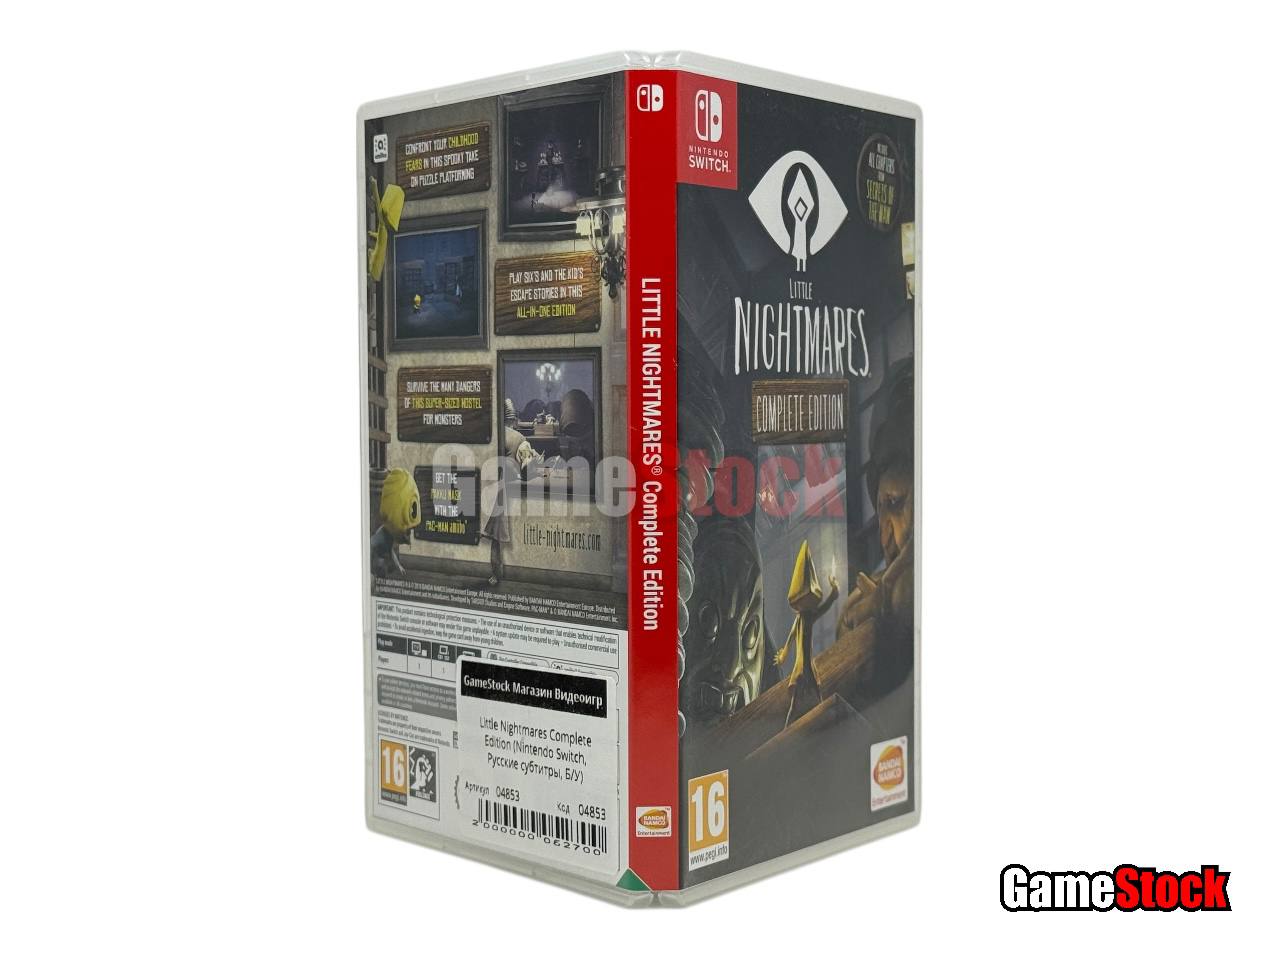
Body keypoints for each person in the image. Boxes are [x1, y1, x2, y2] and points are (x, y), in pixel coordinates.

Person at [774, 540, 840, 727]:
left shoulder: (806, 616)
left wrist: (834, 593)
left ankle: (793, 726)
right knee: (804, 698)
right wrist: (784, 653)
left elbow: (792, 636)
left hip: (804, 667)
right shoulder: (804, 617)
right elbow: (792, 635)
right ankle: (791, 728)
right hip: (804, 667)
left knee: (803, 698)